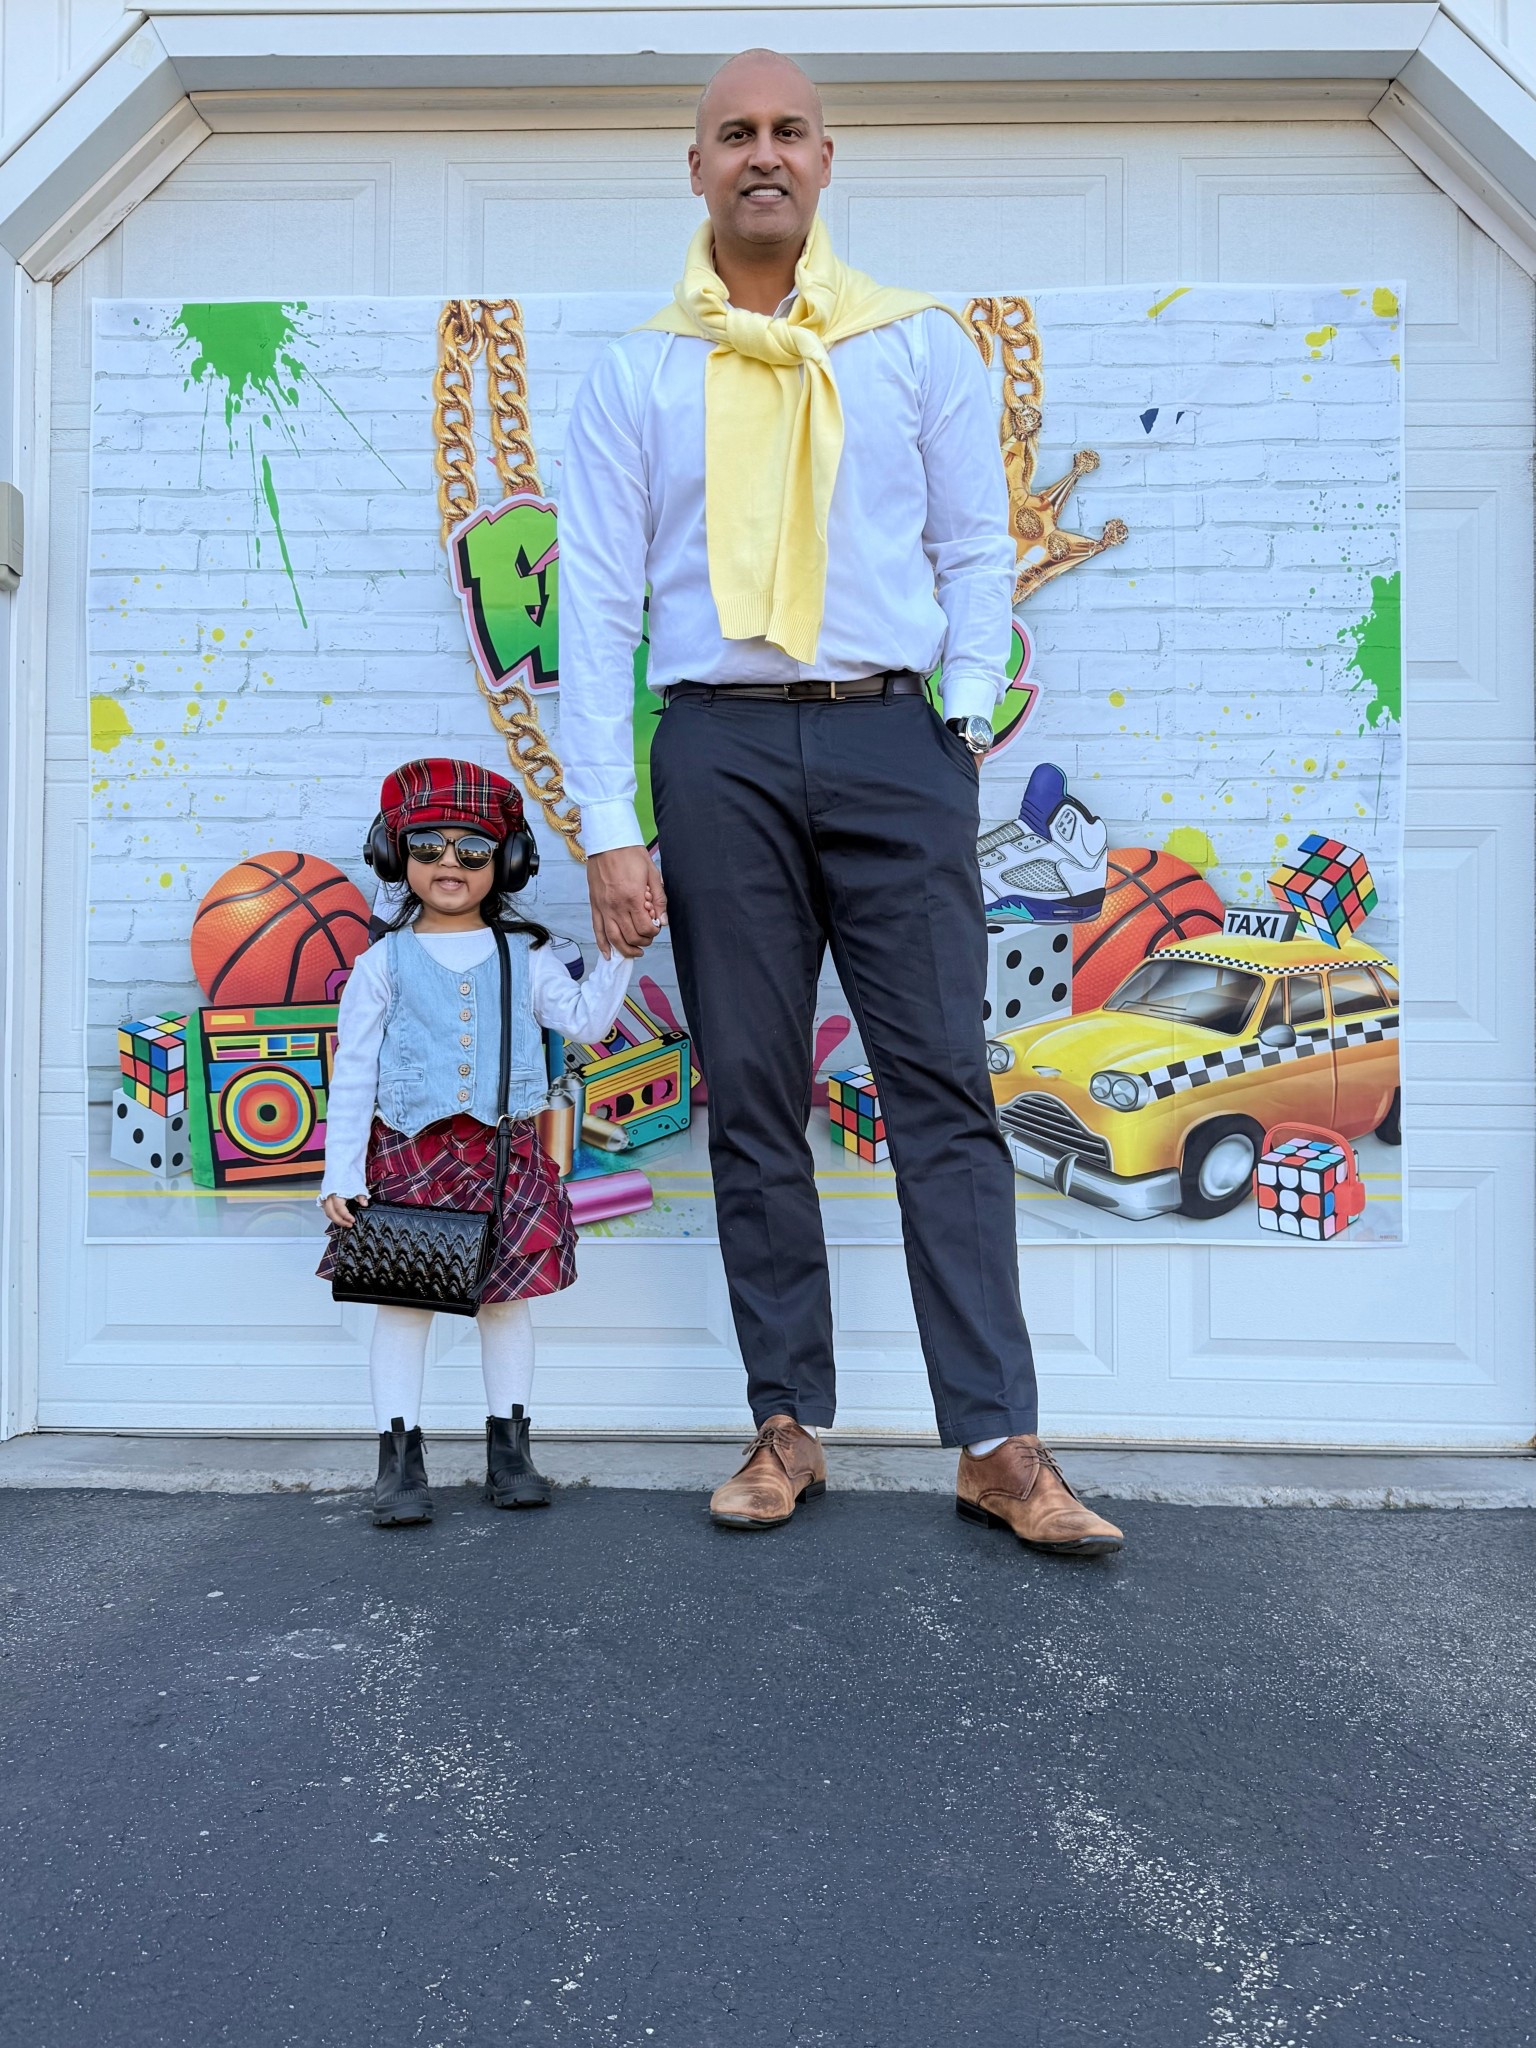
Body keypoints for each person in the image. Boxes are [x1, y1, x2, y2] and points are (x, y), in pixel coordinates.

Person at [557, 49, 1123, 1555]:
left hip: (890, 743)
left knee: (941, 1087)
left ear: (826, 159)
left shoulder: (915, 346)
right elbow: (599, 611)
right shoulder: (636, 372)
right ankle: (783, 1422)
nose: (761, 153)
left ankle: (999, 1443)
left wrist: (954, 726)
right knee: (751, 1095)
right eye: (732, 133)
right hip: (717, 752)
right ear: (694, 169)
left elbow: (975, 551)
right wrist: (612, 822)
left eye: (786, 131)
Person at [318, 757, 630, 1528]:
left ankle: (511, 1453)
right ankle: (398, 1462)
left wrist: (624, 949)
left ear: (508, 863)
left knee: (506, 1307)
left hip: (504, 1158)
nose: (448, 864)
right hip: (409, 1157)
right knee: (402, 1306)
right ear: (397, 856)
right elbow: (352, 1070)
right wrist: (341, 1169)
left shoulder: (527, 956)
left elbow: (588, 1023)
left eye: (472, 851)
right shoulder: (379, 963)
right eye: (427, 847)